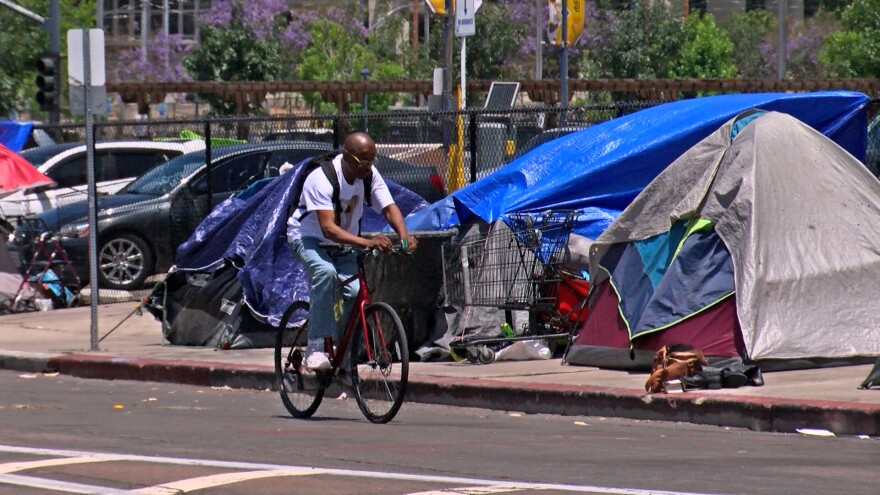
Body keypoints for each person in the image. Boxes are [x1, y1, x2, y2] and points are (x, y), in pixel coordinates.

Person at [287, 132, 418, 370]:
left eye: (372, 161)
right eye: (363, 161)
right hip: (308, 237)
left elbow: (389, 208)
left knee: (355, 291)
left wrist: (404, 235)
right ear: (347, 156)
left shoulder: (369, 176)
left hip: (344, 242)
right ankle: (315, 348)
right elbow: (328, 229)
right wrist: (366, 242)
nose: (368, 167)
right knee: (325, 273)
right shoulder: (322, 178)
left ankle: (343, 350)